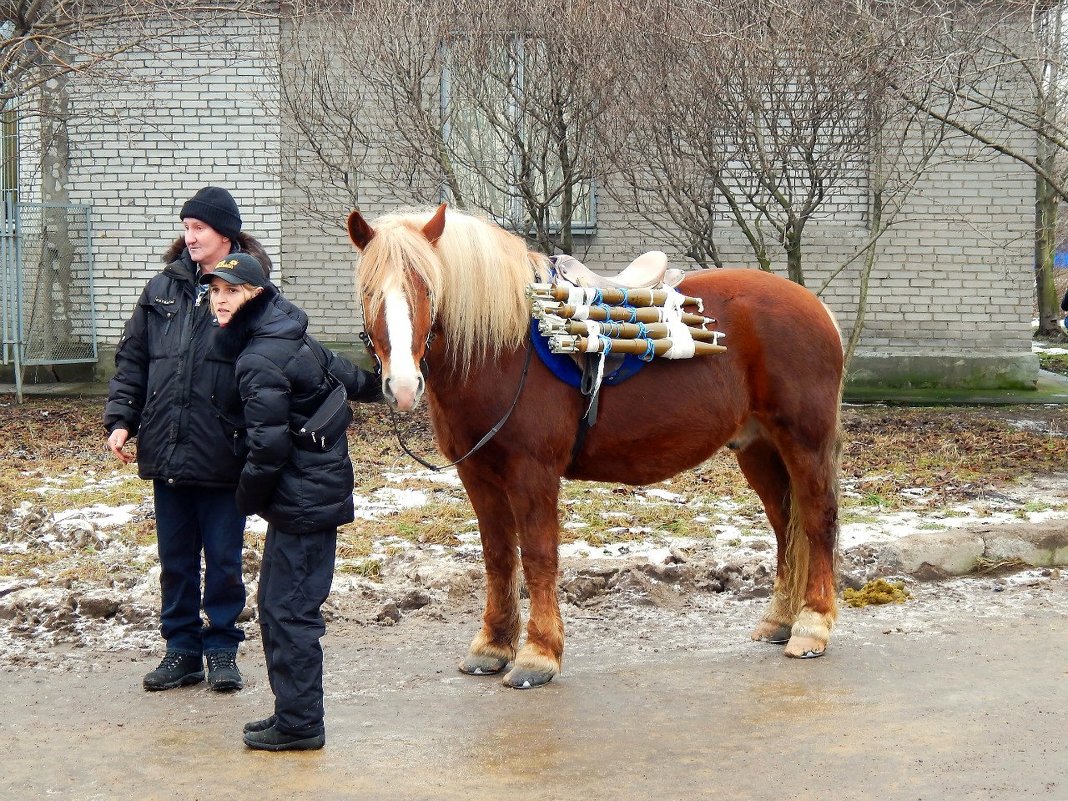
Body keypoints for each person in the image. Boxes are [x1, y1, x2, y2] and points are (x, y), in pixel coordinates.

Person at [203, 253, 382, 752]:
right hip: (309, 494)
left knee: (289, 611)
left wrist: (243, 501)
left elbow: (268, 449)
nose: (220, 300)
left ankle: (301, 725)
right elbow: (352, 379)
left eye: (232, 291)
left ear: (256, 295)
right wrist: (382, 382)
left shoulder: (260, 357)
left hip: (302, 500)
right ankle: (293, 712)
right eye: (215, 291)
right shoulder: (291, 335)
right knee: (279, 605)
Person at [104, 186, 273, 693]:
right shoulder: (162, 288)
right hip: (167, 446)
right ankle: (180, 650)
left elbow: (273, 363)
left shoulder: (250, 290)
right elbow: (133, 359)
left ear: (226, 234)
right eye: (186, 227)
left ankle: (221, 649)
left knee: (223, 560)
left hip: (223, 452)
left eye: (199, 228)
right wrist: (122, 419)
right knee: (175, 561)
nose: (190, 237)